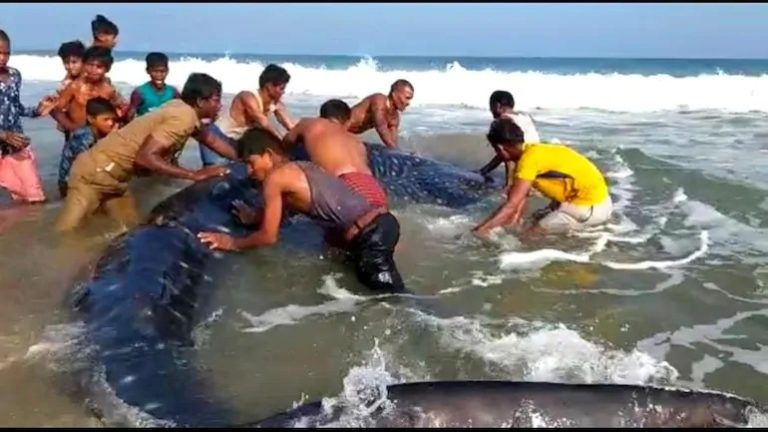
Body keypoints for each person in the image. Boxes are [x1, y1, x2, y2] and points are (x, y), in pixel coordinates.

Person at [197, 134, 406, 294]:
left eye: (251, 163)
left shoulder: (274, 180)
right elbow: (287, 211)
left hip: (370, 237)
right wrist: (256, 217)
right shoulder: (302, 167)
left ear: (269, 154)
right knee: (371, 295)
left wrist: (232, 243)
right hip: (381, 225)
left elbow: (268, 237)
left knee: (391, 301)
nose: (249, 171)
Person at [55, 73, 238, 232]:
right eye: (216, 100)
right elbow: (145, 157)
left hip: (116, 179)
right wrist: (194, 175)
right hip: (94, 173)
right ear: (200, 101)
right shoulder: (183, 118)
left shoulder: (180, 107)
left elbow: (211, 140)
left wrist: (243, 158)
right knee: (66, 233)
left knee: (129, 230)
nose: (220, 105)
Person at [472, 118, 612, 237]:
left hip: (589, 208)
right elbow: (520, 200)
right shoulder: (533, 151)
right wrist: (512, 224)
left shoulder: (528, 162)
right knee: (531, 221)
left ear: (500, 148)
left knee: (529, 236)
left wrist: (481, 230)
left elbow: (511, 205)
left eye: (495, 149)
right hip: (596, 201)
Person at [281, 99, 388, 207]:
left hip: (347, 184)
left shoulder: (311, 123)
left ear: (321, 117)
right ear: (348, 122)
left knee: (281, 183)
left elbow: (286, 142)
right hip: (375, 189)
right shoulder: (356, 140)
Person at [201, 63, 295, 166]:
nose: (283, 92)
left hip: (238, 143)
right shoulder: (247, 97)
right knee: (214, 169)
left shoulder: (276, 104)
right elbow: (264, 124)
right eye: (281, 88)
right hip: (218, 136)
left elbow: (291, 126)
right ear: (268, 86)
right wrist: (283, 145)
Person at [0, 29, 54, 204]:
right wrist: (3, 135)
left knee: (33, 195)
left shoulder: (14, 75)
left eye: (6, 53)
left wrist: (37, 110)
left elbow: (16, 107)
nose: (3, 58)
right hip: (4, 139)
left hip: (15, 143)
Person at [50, 46, 127, 133]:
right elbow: (57, 110)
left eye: (99, 67)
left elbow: (119, 111)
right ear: (84, 64)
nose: (93, 70)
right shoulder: (74, 86)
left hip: (100, 135)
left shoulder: (109, 90)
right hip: (77, 133)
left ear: (107, 69)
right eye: (90, 65)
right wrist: (71, 127)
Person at [476, 90, 542, 187]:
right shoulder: (524, 117)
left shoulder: (504, 121)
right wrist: (485, 170)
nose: (490, 110)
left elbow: (509, 156)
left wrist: (509, 183)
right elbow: (503, 153)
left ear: (497, 106)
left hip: (523, 162)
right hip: (536, 159)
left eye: (491, 106)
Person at [57, 97, 118, 198]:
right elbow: (85, 164)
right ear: (91, 119)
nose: (111, 123)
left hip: (86, 176)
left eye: (113, 119)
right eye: (106, 119)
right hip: (71, 182)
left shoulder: (101, 133)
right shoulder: (84, 137)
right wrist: (109, 140)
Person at [347, 79, 414, 149]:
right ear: (394, 94)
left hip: (349, 134)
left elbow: (392, 142)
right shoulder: (379, 100)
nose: (408, 103)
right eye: (407, 98)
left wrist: (398, 152)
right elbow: (381, 127)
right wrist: (396, 150)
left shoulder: (395, 117)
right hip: (340, 126)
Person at [125, 52, 180, 120]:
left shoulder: (173, 92)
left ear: (167, 71)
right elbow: (129, 117)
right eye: (155, 72)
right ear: (148, 71)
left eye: (162, 71)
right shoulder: (140, 93)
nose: (159, 75)